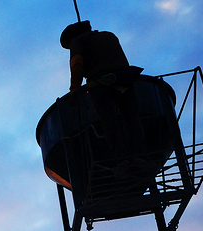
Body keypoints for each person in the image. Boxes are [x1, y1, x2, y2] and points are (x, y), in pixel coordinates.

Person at [61, 20, 145, 161]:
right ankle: (141, 157)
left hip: (100, 86)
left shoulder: (77, 41)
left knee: (109, 123)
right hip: (125, 81)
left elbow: (77, 65)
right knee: (132, 119)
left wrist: (74, 89)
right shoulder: (109, 36)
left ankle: (122, 161)